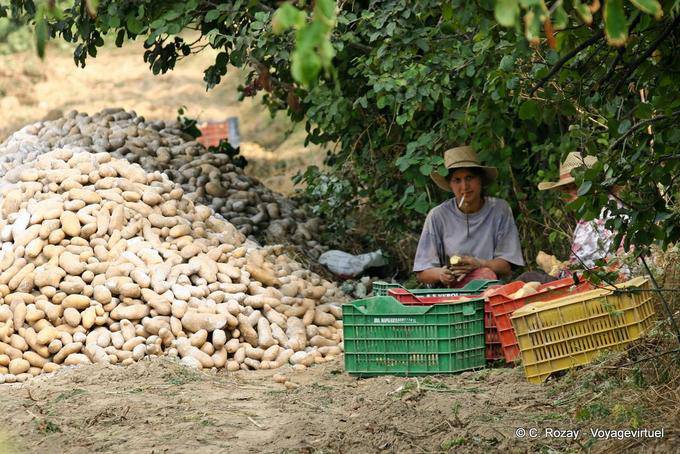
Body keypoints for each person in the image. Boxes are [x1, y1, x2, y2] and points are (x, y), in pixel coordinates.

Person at [413, 145, 525, 288]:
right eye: (457, 180)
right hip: (451, 292)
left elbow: (506, 266)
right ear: (450, 185)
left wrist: (479, 264)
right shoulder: (438, 216)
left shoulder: (499, 210)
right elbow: (422, 273)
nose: (464, 186)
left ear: (480, 180)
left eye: (469, 178)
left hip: (491, 289)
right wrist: (441, 274)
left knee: (486, 275)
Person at [530, 151, 627, 282]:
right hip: (608, 278)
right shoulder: (608, 208)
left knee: (531, 278)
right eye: (566, 188)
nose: (571, 193)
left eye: (575, 186)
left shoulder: (599, 217)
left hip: (609, 284)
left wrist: (555, 268)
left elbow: (578, 273)